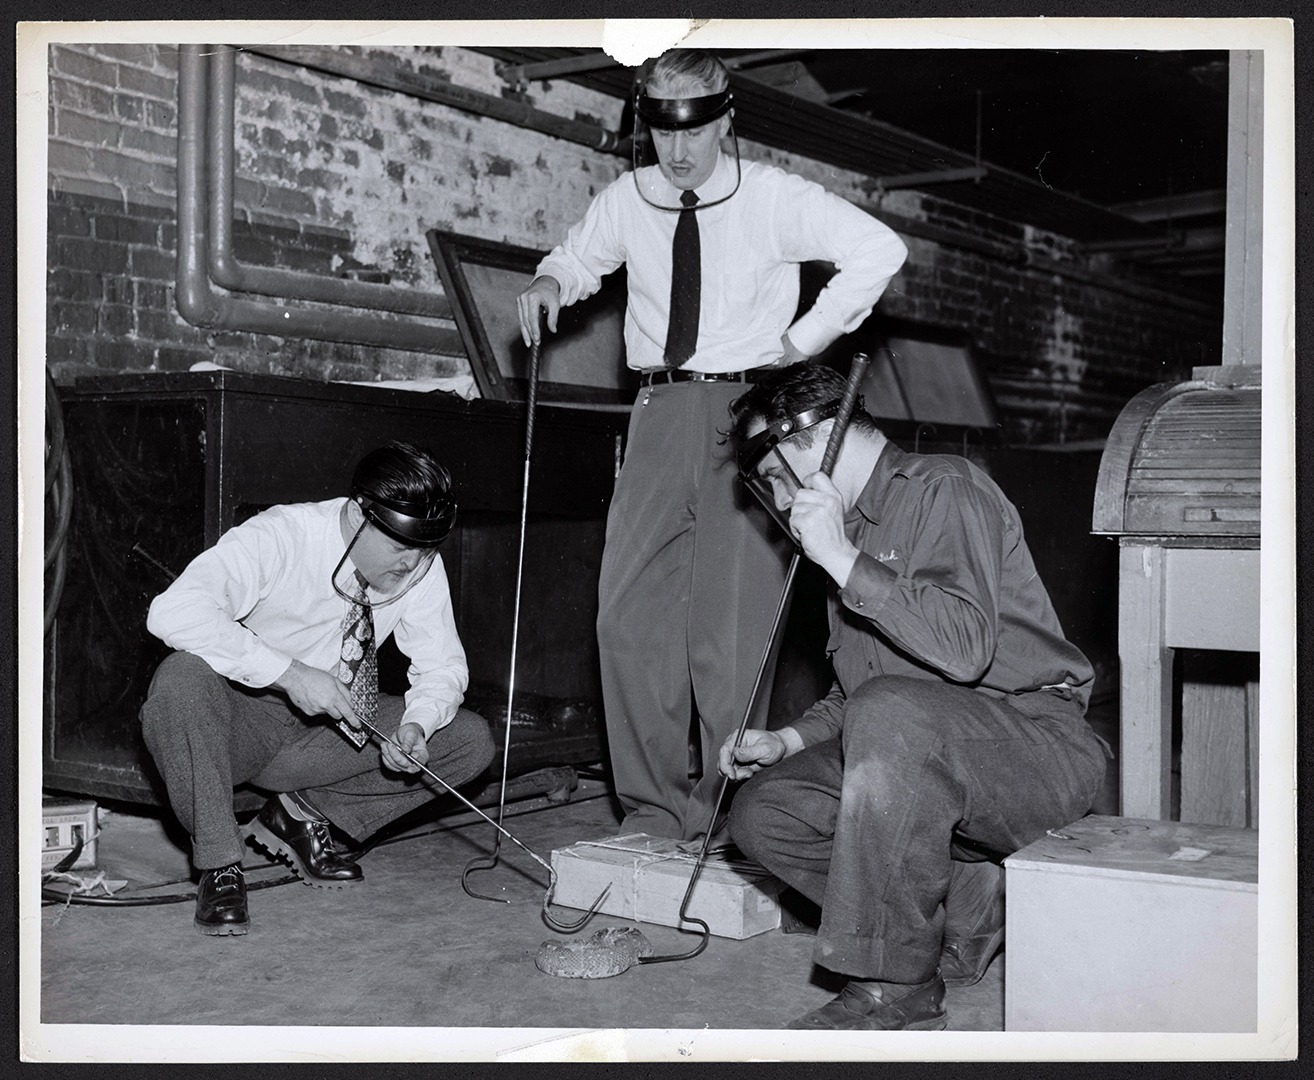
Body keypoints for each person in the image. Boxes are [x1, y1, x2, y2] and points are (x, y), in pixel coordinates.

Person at [515, 49, 908, 842]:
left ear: (726, 119)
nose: (680, 151)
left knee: (729, 630)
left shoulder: (771, 198)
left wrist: (803, 341)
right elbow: (580, 255)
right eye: (662, 130)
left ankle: (727, 819)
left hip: (749, 411)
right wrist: (552, 282)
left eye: (695, 130)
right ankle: (653, 814)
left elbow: (880, 250)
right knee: (626, 619)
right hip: (658, 411)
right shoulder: (631, 198)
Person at [719, 363, 1109, 1030]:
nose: (781, 504)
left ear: (810, 441)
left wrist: (841, 559)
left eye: (778, 478)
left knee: (892, 712)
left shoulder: (944, 488)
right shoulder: (844, 535)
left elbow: (963, 649)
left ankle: (895, 980)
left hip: (1038, 752)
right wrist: (786, 741)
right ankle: (955, 909)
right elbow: (861, 697)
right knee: (765, 814)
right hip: (926, 753)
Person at [140, 441, 494, 936]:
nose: (411, 567)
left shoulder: (419, 566)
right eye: (399, 549)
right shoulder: (283, 534)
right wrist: (288, 673)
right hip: (237, 725)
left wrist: (417, 723)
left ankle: (300, 817)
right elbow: (173, 610)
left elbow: (443, 667)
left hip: (321, 735)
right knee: (179, 679)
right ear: (356, 517)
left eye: (425, 553)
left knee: (468, 739)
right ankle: (220, 864)